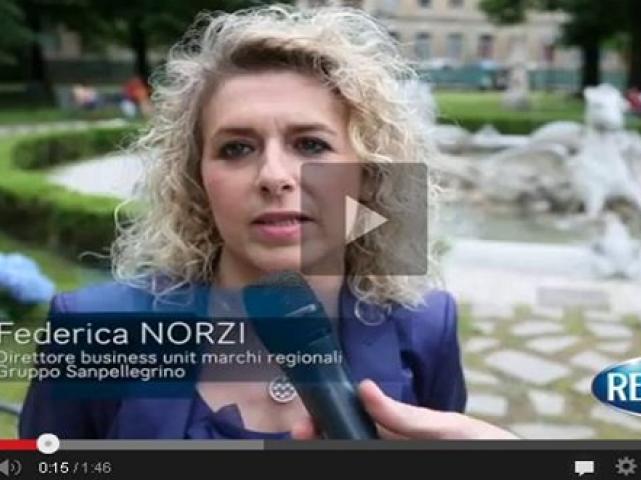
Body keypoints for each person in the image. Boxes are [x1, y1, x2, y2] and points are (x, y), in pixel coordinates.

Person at [19, 5, 515, 440]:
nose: (274, 176)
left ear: (367, 175)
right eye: (237, 148)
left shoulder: (427, 327)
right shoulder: (95, 328)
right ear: (198, 180)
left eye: (311, 144)